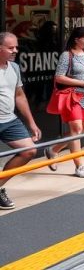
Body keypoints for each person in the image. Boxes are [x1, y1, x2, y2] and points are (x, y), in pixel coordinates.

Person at [45, 27, 84, 178]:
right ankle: (80, 166)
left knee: (80, 131)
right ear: (76, 39)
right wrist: (82, 83)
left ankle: (53, 150)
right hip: (72, 96)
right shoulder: (66, 55)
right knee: (76, 129)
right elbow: (59, 77)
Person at [0, 32, 42, 210]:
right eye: (10, 48)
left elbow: (19, 96)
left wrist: (32, 124)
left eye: (16, 47)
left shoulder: (14, 68)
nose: (15, 51)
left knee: (29, 151)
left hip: (9, 120)